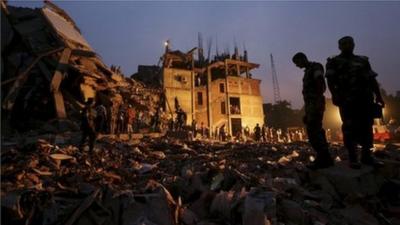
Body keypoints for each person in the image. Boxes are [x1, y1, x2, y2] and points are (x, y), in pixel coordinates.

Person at [325, 36, 385, 169]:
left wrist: (379, 97)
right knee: (349, 128)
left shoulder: (363, 60)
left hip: (365, 99)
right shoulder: (334, 61)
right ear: (339, 47)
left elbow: (372, 79)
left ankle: (366, 156)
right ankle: (353, 157)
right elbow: (330, 80)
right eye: (344, 44)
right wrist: (335, 95)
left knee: (366, 127)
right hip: (347, 100)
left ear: (354, 45)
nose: (347, 46)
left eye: (349, 43)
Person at [293, 52, 334, 169]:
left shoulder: (315, 67)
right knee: (317, 130)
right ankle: (326, 158)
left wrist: (316, 103)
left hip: (315, 104)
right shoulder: (307, 71)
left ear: (303, 59)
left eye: (297, 63)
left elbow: (320, 82)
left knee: (313, 132)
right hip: (311, 105)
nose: (297, 66)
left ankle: (323, 158)